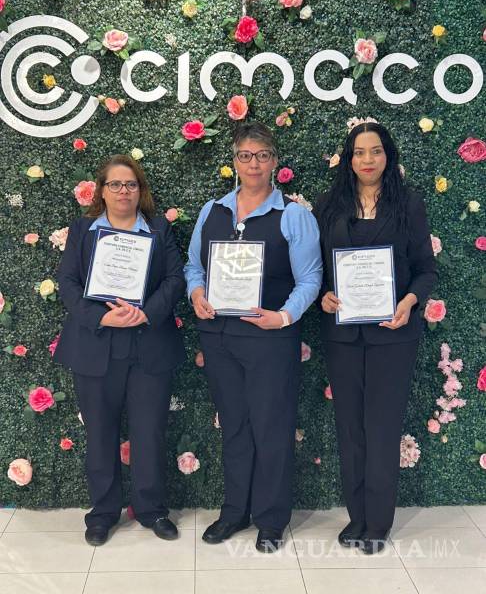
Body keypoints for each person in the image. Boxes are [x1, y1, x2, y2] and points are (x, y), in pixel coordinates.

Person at [184, 122, 322, 553]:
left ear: (275, 162)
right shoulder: (213, 211)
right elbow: (193, 266)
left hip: (269, 339)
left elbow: (311, 277)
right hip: (220, 337)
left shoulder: (293, 216)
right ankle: (234, 512)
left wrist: (283, 317)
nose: (254, 163)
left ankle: (270, 519)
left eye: (262, 155)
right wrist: (197, 293)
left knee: (271, 427)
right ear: (234, 161)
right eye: (245, 155)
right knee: (235, 428)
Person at [314, 122, 437, 554]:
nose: (368, 160)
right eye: (359, 152)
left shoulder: (409, 205)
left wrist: (409, 301)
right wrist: (324, 296)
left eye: (376, 151)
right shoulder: (329, 206)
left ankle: (378, 522)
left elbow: (426, 269)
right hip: (343, 335)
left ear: (388, 156)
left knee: (381, 427)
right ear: (349, 159)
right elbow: (318, 272)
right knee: (350, 428)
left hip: (393, 336)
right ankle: (357, 518)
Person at [54, 154, 186, 546]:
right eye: (115, 184)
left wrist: (146, 314)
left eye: (130, 184)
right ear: (102, 190)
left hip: (149, 346)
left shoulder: (159, 230)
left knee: (149, 433)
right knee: (100, 434)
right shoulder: (83, 230)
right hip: (96, 347)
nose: (123, 191)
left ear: (140, 190)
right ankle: (103, 512)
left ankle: (151, 510)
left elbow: (176, 280)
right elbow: (67, 282)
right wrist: (100, 318)